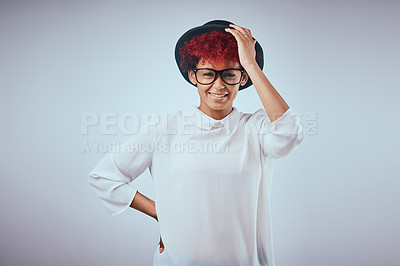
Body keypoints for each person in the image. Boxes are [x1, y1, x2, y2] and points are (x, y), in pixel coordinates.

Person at [88, 20, 304, 266]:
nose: (219, 85)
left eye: (230, 74)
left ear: (242, 78)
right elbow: (104, 176)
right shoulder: (164, 129)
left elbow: (289, 133)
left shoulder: (256, 129)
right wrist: (162, 213)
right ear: (193, 76)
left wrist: (251, 64)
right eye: (208, 74)